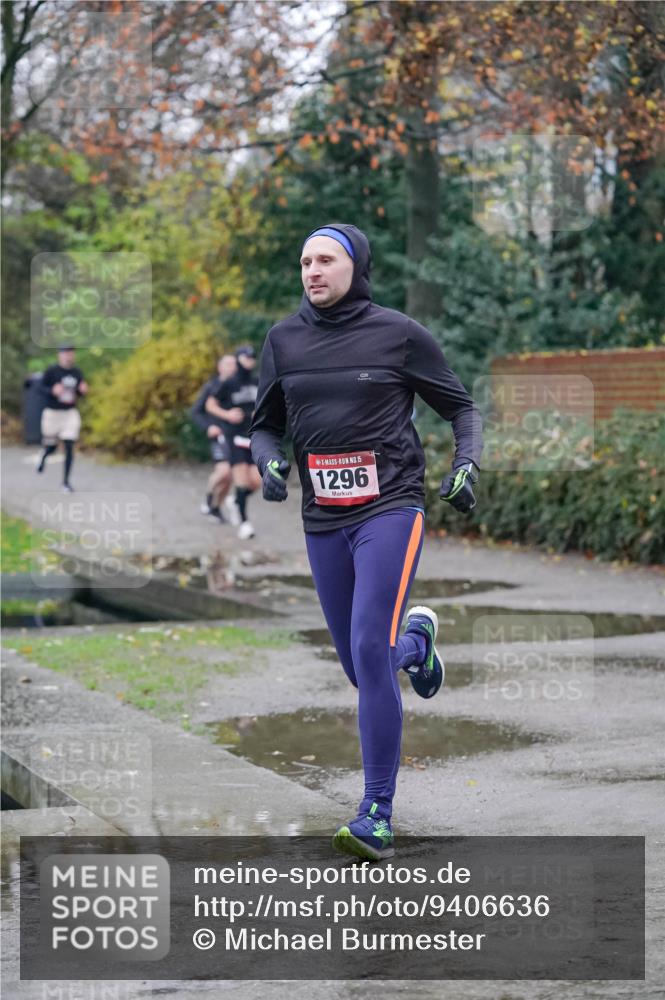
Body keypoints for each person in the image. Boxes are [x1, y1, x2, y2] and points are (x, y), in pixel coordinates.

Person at [250, 224, 483, 862]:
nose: (312, 271)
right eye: (304, 261)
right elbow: (264, 427)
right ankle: (419, 644)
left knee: (364, 649)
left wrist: (467, 464)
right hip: (324, 516)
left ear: (355, 267)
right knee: (363, 667)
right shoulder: (284, 340)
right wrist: (268, 463)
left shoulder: (399, 334)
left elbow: (461, 407)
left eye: (325, 259)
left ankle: (376, 810)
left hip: (391, 507)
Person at [206, 346, 262, 540]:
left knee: (257, 481)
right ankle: (245, 523)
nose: (250, 361)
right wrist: (227, 414)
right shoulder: (229, 383)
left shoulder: (257, 381)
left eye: (252, 358)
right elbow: (210, 404)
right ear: (239, 359)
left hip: (252, 436)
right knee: (240, 479)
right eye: (246, 357)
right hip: (233, 436)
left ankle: (236, 501)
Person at [190, 354, 238, 520]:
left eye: (234, 364)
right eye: (228, 364)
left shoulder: (240, 386)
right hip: (219, 435)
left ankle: (216, 507)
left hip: (237, 436)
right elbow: (195, 411)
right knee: (224, 471)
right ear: (220, 367)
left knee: (231, 476)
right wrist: (208, 426)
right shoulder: (212, 387)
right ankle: (209, 496)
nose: (232, 367)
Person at [36, 346, 88, 492]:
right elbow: (39, 388)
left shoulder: (77, 372)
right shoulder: (52, 371)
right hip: (53, 413)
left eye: (71, 354)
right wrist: (52, 390)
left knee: (69, 446)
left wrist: (83, 390)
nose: (68, 357)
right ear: (60, 355)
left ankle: (65, 483)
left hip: (69, 413)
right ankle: (44, 456)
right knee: (51, 447)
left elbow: (80, 391)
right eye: (65, 354)